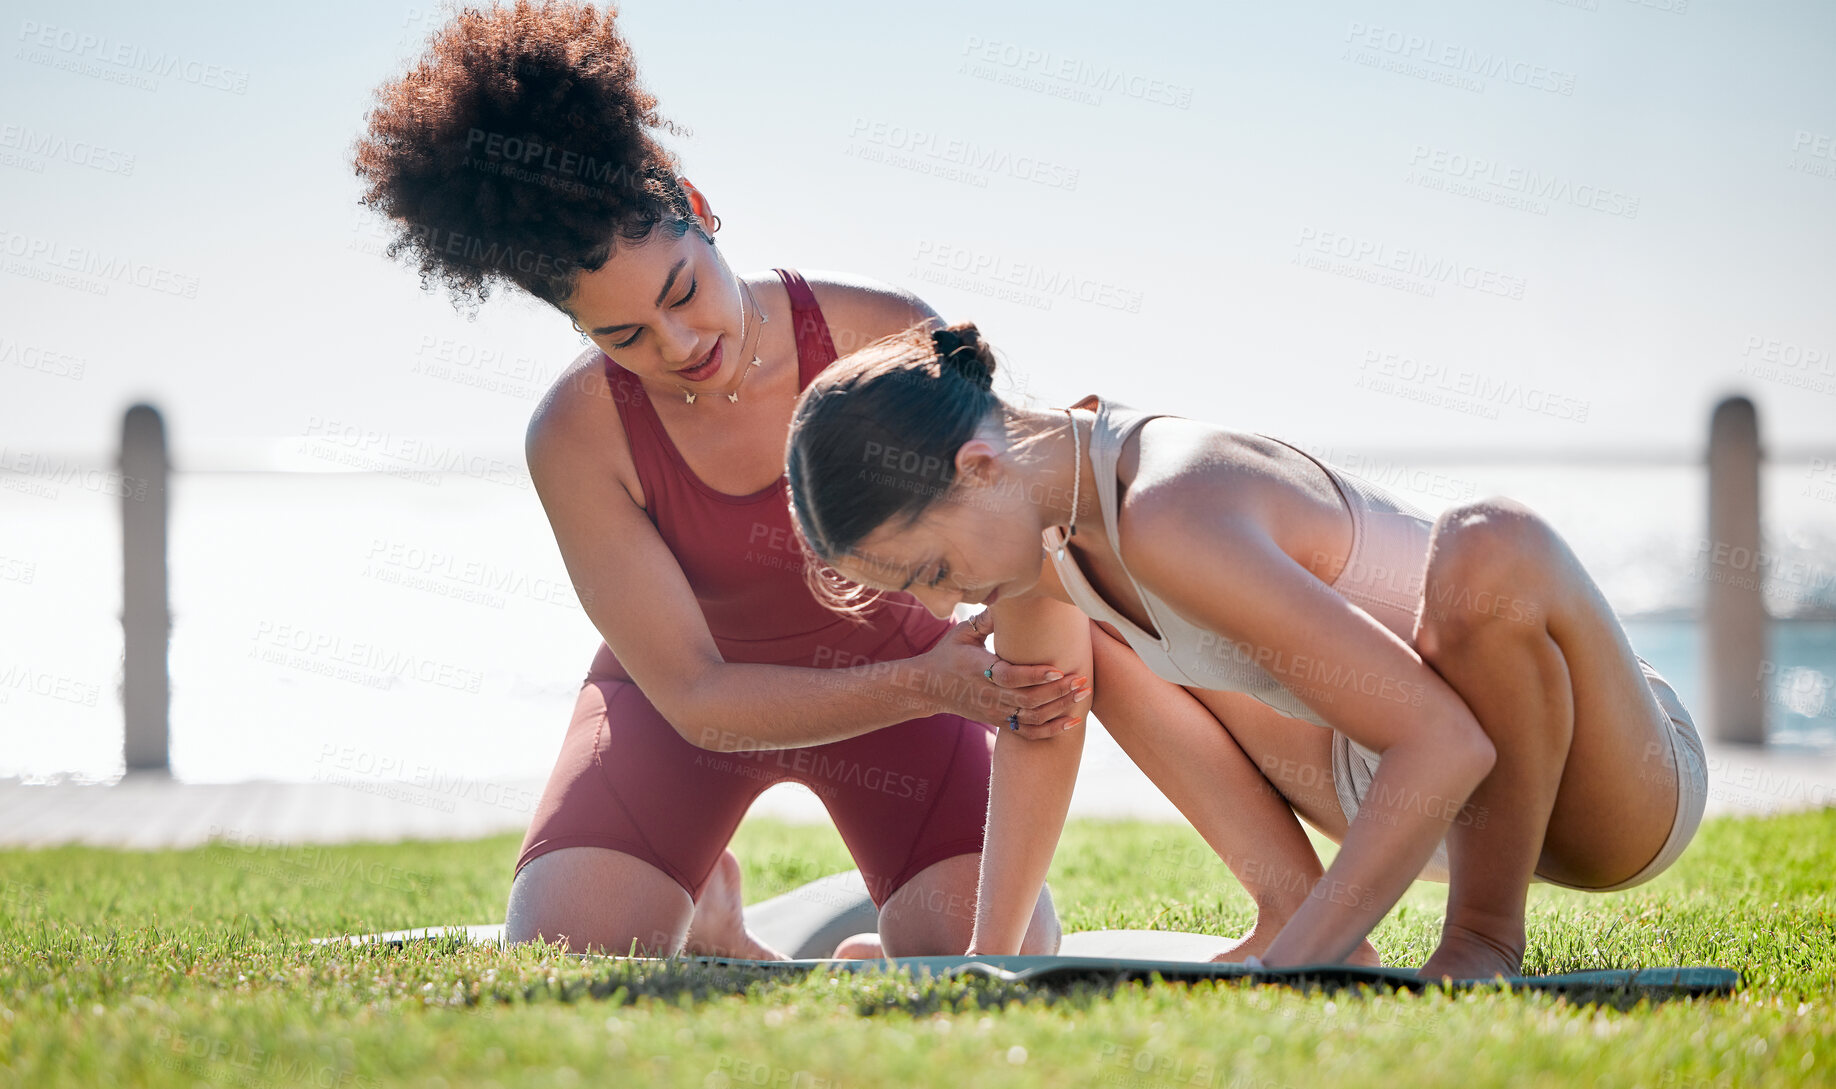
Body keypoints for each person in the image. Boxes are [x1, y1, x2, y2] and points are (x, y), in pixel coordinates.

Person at [348, 1, 1088, 959]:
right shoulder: (574, 436)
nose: (681, 345)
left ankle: (791, 931)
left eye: (682, 291)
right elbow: (696, 696)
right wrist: (919, 680)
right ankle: (710, 917)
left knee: (980, 950)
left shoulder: (882, 331)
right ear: (578, 328)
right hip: (695, 718)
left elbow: (1018, 528)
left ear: (697, 210)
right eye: (624, 337)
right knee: (573, 951)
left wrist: (953, 678)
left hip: (914, 698)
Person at [781, 322, 1710, 980]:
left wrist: (1292, 968)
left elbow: (1448, 741)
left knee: (1490, 540)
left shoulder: (1170, 502)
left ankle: (1481, 935)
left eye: (935, 567)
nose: (949, 606)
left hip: (1595, 783)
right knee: (1080, 650)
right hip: (1385, 787)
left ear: (979, 468)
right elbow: (1041, 725)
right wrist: (990, 957)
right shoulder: (1047, 547)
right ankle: (1305, 916)